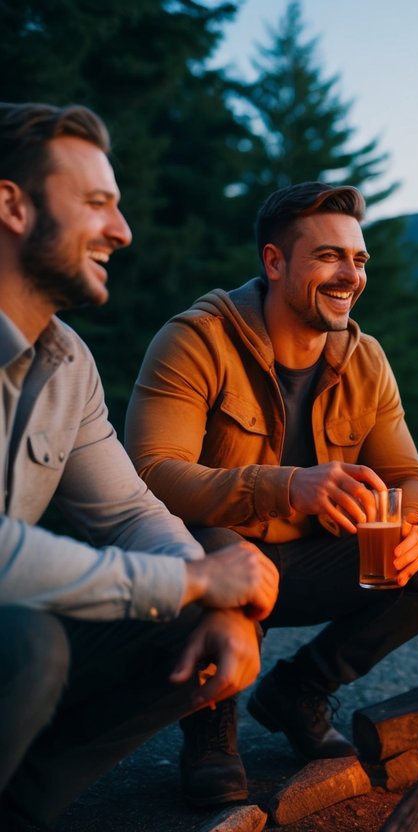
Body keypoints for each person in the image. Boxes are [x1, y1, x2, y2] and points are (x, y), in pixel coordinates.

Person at [123, 181, 418, 808]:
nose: (351, 275)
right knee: (214, 546)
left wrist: (415, 530)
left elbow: (408, 476)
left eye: (359, 259)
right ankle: (209, 727)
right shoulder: (196, 339)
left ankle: (298, 690)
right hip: (220, 554)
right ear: (274, 261)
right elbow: (150, 473)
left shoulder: (366, 358)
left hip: (310, 562)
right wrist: (286, 485)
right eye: (329, 256)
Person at [0, 102, 277, 829]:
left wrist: (215, 602)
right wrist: (195, 578)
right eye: (96, 203)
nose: (122, 231)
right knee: (27, 642)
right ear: (13, 206)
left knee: (184, 618)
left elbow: (127, 512)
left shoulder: (66, 362)